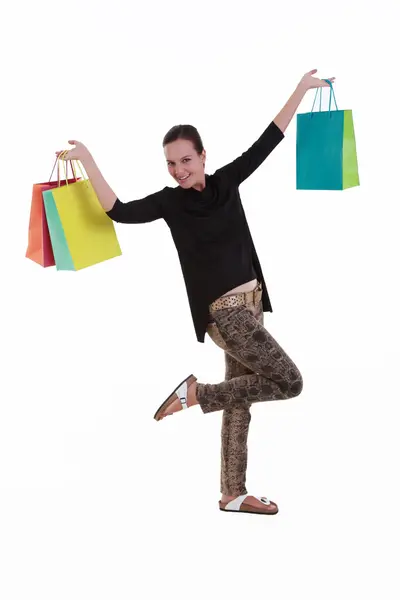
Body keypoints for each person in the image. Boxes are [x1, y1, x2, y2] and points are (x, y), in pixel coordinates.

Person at [57, 69, 335, 516]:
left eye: (185, 160)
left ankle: (232, 494)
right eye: (171, 163)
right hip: (226, 314)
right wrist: (87, 158)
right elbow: (119, 211)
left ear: (203, 156)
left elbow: (271, 137)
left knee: (242, 397)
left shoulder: (227, 181)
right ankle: (196, 394)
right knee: (289, 381)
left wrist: (301, 89)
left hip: (253, 304)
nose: (178, 170)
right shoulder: (171, 203)